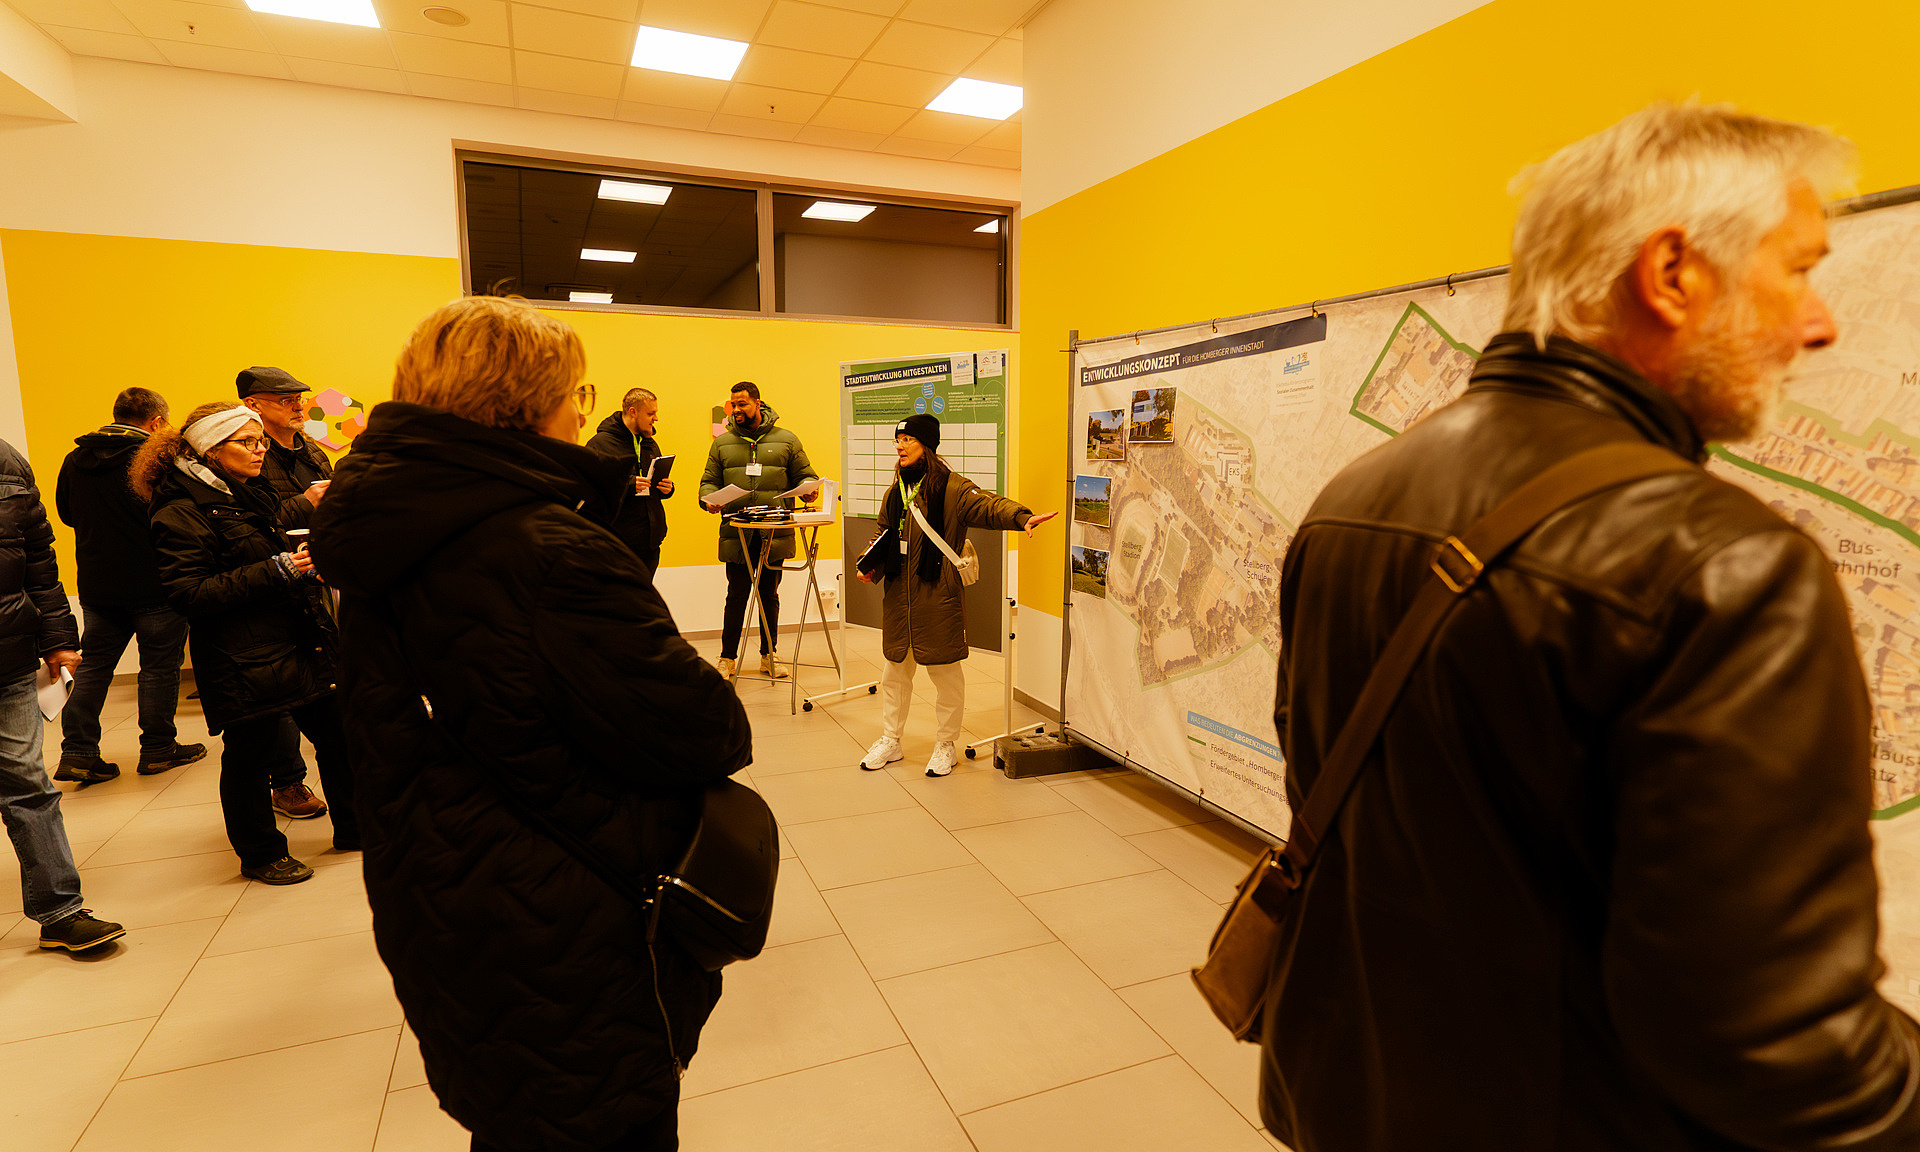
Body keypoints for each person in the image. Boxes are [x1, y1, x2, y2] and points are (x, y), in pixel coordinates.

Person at [1260, 103, 1920, 1150]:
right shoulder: (1725, 565)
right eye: (1798, 271)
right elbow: (1774, 1046)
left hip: (1360, 1101)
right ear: (1672, 274)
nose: (1820, 323)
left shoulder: (1354, 496)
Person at [310, 296, 751, 1152]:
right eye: (576, 394)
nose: (582, 415)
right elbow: (709, 731)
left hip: (444, 888)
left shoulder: (384, 534)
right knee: (598, 1117)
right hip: (568, 918)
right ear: (526, 403)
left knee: (519, 1109)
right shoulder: (552, 550)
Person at [132, 404, 357, 885]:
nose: (260, 451)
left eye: (261, 442)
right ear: (211, 451)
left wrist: (303, 565)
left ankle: (357, 828)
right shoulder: (179, 510)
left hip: (294, 639)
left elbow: (261, 554)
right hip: (241, 655)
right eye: (247, 442)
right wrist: (279, 569)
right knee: (251, 756)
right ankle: (260, 854)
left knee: (339, 735)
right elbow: (188, 593)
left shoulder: (247, 493)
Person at [855, 415, 1056, 777]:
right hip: (898, 594)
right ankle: (891, 739)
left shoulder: (953, 488)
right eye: (897, 439)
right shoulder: (895, 490)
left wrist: (1020, 517)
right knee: (894, 672)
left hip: (937, 593)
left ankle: (946, 744)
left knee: (945, 673)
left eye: (908, 439)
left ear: (927, 445)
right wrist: (870, 562)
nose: (899, 446)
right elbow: (884, 532)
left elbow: (988, 506)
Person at [0, 437, 126, 952]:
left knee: (29, 785)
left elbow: (38, 558)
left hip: (7, 658)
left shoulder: (5, 460)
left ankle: (60, 912)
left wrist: (57, 636)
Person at [52, 387, 205, 784]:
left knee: (94, 666)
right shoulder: (155, 459)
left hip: (98, 583)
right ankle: (158, 748)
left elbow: (66, 514)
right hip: (155, 580)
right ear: (157, 422)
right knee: (159, 667)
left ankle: (78, 752)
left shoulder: (75, 458)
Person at [238, 366, 332, 820]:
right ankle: (288, 782)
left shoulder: (312, 451)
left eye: (299, 398)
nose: (297, 406)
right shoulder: (249, 457)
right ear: (253, 405)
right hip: (273, 582)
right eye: (285, 400)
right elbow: (251, 521)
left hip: (320, 578)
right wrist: (305, 502)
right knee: (278, 694)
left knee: (325, 687)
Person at [699, 381, 816, 681]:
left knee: (769, 595)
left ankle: (769, 655)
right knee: (736, 595)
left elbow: (806, 475)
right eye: (733, 405)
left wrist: (808, 490)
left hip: (773, 534)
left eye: (742, 404)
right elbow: (709, 481)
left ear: (758, 403)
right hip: (737, 533)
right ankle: (727, 658)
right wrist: (708, 499)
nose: (736, 410)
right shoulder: (722, 443)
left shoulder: (787, 439)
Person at [585, 386, 675, 574]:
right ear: (633, 412)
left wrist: (666, 489)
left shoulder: (650, 443)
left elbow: (652, 485)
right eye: (650, 413)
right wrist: (628, 485)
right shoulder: (600, 444)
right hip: (616, 544)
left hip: (649, 542)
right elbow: (590, 489)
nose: (656, 418)